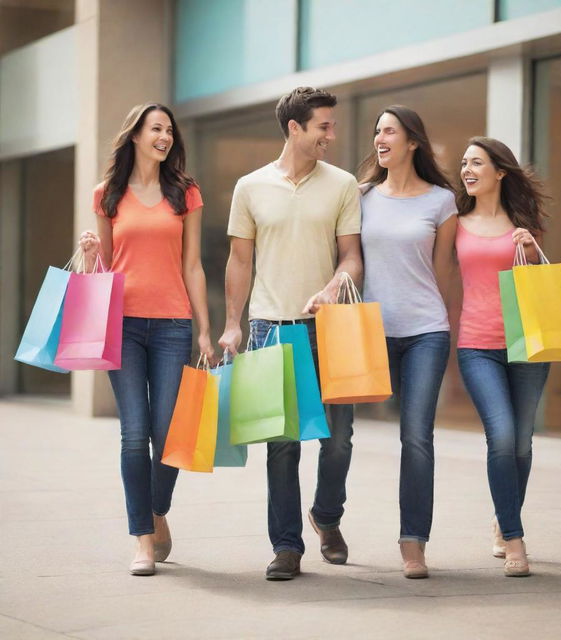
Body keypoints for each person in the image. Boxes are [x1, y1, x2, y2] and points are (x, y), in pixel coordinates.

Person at [218, 86, 362, 581]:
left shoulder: (342, 184)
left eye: (332, 125)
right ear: (294, 128)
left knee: (339, 439)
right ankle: (286, 546)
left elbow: (352, 256)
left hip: (330, 327)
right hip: (270, 327)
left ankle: (326, 514)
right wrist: (233, 324)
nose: (332, 134)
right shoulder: (250, 186)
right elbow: (240, 259)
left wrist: (334, 284)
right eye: (324, 125)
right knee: (281, 444)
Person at [80, 103, 215, 576]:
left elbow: (193, 265)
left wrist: (204, 328)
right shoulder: (108, 195)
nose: (164, 136)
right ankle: (142, 538)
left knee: (168, 434)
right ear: (135, 134)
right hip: (124, 326)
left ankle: (158, 511)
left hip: (173, 326)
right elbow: (105, 272)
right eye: (155, 128)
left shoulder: (185, 192)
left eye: (169, 130)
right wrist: (93, 254)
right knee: (134, 435)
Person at [358, 106, 456, 578]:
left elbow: (442, 274)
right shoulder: (360, 197)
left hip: (425, 332)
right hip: (367, 332)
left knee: (416, 437)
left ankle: (413, 542)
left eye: (389, 131)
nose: (380, 138)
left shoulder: (441, 201)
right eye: (377, 130)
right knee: (339, 434)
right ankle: (326, 515)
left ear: (412, 142)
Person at [445, 136, 550, 577]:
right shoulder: (456, 222)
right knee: (502, 437)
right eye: (464, 163)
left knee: (522, 443)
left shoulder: (524, 223)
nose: (467, 170)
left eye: (477, 163)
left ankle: (502, 518)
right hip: (476, 345)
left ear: (500, 172)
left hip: (526, 343)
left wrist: (528, 251)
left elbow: (543, 282)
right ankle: (514, 537)